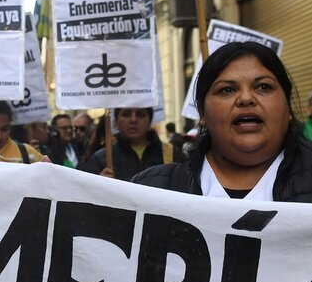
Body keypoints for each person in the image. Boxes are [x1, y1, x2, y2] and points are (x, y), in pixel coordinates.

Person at [134, 42, 312, 201]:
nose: (246, 98)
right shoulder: (150, 191)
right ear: (202, 113)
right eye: (227, 90)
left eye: (263, 87)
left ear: (288, 107)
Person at [81, 107, 185, 181]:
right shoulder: (101, 159)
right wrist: (98, 185)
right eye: (126, 114)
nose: (133, 120)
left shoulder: (173, 154)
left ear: (150, 121)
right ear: (116, 121)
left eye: (140, 115)